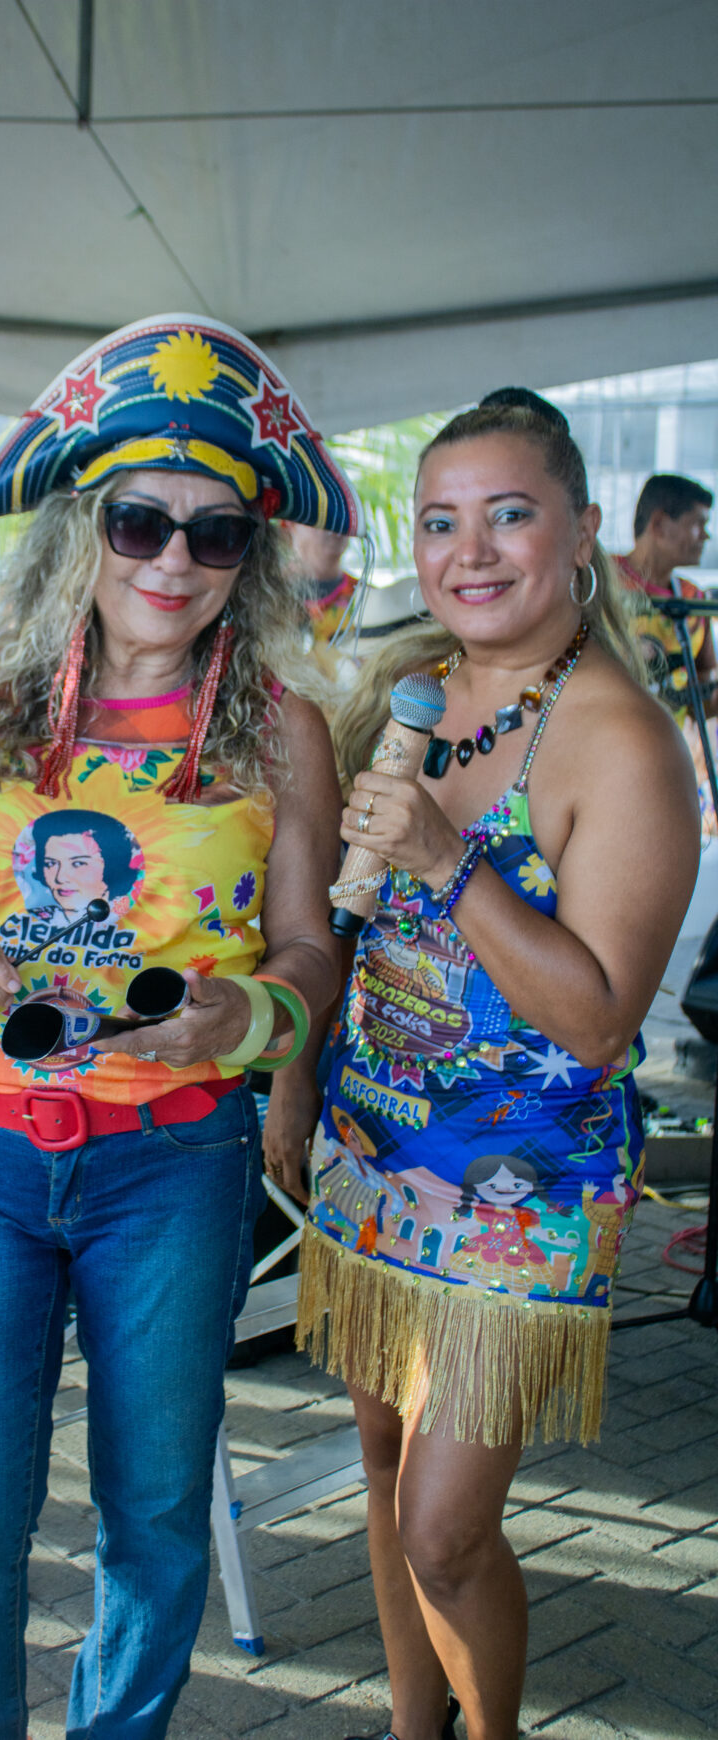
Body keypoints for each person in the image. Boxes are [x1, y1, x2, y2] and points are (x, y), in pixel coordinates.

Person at [0, 313, 353, 1739]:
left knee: (152, 1516)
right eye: (139, 521)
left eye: (216, 535)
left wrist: (248, 1014)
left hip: (173, 1165)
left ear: (249, 558)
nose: (171, 561)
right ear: (83, 527)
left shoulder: (281, 731)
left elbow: (310, 950)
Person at [272, 389, 699, 1740]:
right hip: (373, 1152)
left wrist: (449, 861)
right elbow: (342, 928)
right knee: (382, 1464)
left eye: (509, 515)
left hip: (521, 1192)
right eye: (440, 520)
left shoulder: (622, 742)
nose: (471, 551)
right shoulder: (407, 695)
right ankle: (415, 1727)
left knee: (445, 1529)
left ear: (580, 532)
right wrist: (293, 1079)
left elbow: (599, 1021)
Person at [615, 472, 714, 718]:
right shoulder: (598, 581)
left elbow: (703, 702)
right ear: (658, 523)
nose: (706, 536)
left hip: (666, 739)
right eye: (698, 524)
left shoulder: (694, 599)